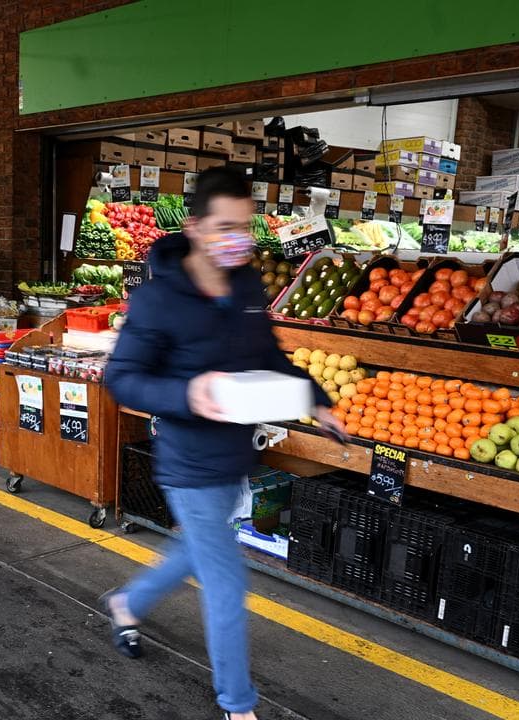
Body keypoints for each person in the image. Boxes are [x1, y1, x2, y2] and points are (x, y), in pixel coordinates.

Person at [103, 167, 343, 720]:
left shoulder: (247, 287)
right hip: (188, 461)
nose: (238, 238)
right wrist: (190, 390)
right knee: (226, 581)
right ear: (194, 227)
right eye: (225, 226)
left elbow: (269, 356)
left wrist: (315, 398)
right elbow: (122, 379)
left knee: (196, 552)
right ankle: (238, 705)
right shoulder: (157, 300)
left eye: (246, 227)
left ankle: (127, 602)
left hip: (237, 452)